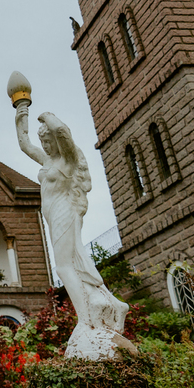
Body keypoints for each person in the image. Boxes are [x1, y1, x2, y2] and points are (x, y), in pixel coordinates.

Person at [15, 103, 132, 359]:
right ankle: (112, 304)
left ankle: (87, 319)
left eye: (48, 141)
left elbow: (64, 134)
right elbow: (24, 144)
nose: (44, 146)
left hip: (64, 213)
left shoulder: (67, 160)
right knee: (77, 262)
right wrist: (20, 111)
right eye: (42, 142)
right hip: (53, 216)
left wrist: (47, 116)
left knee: (64, 266)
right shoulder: (47, 159)